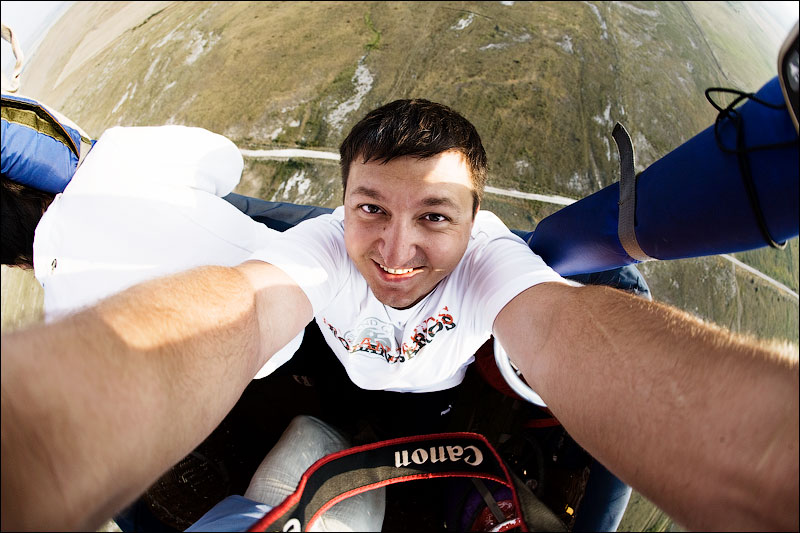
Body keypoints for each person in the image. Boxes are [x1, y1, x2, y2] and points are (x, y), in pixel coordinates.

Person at [1, 99, 797, 532]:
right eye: (372, 208)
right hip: (348, 380)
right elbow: (241, 308)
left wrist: (767, 453)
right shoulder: (319, 246)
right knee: (331, 412)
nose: (396, 250)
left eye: (434, 217)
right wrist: (43, 435)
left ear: (476, 220)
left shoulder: (492, 263)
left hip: (438, 399)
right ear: (342, 204)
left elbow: (561, 329)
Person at [1, 124, 303, 377]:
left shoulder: (63, 329)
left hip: (262, 360)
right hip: (293, 267)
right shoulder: (113, 156)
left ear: (16, 263)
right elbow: (226, 160)